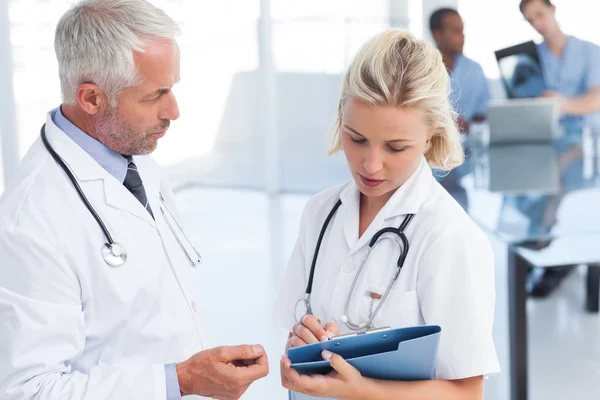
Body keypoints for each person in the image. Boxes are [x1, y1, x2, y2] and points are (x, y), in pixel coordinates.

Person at [0, 1, 268, 399]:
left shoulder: (135, 161)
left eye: (172, 87)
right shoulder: (29, 222)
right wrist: (183, 380)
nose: (173, 110)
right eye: (154, 95)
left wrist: (196, 375)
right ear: (91, 98)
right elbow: (30, 391)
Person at [275, 29, 500, 400]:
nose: (371, 165)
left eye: (396, 147)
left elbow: (467, 393)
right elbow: (296, 335)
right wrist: (302, 341)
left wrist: (361, 390)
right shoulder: (320, 213)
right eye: (356, 138)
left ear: (431, 135)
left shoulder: (449, 237)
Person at [520, 0, 600, 297]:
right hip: (546, 141)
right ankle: (543, 252)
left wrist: (564, 103)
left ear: (553, 10)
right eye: (530, 20)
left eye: (540, 14)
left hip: (588, 143)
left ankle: (562, 259)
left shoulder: (589, 51)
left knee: (565, 180)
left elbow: (595, 98)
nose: (538, 23)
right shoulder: (531, 59)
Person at [430, 7, 490, 133]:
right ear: (437, 35)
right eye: (456, 31)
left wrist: (468, 125)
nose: (462, 37)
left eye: (462, 31)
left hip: (468, 145)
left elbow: (484, 115)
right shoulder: (421, 69)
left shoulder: (475, 70)